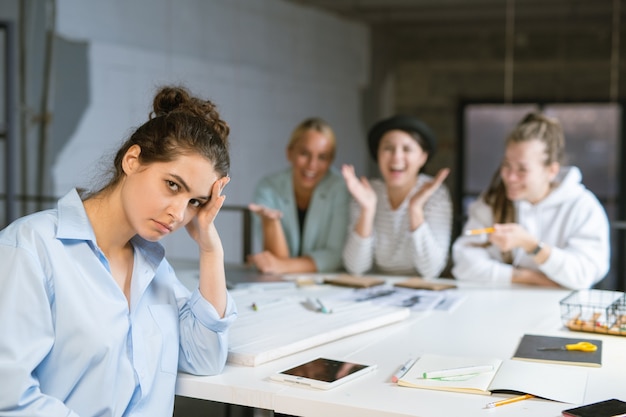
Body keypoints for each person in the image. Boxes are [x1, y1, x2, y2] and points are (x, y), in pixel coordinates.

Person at [0, 86, 237, 416]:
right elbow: (9, 398)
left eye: (194, 201)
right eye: (172, 185)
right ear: (132, 160)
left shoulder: (154, 268)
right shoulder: (30, 248)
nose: (179, 213)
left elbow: (205, 358)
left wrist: (211, 251)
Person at [452, 112, 610, 289]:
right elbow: (464, 265)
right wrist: (532, 278)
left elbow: (584, 275)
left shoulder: (582, 207)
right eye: (506, 165)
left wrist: (531, 245)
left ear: (551, 171)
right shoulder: (492, 201)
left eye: (522, 170)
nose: (510, 177)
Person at [341, 115, 452, 277]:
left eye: (407, 149)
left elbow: (432, 270)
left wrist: (415, 209)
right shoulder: (366, 192)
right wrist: (367, 209)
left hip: (419, 289)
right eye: (388, 148)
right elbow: (355, 268)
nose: (396, 157)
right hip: (376, 288)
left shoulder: (435, 194)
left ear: (423, 157)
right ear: (377, 154)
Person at [248, 117, 349, 274]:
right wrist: (271, 223)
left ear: (330, 161)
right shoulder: (268, 187)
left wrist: (283, 266)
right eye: (304, 153)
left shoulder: (340, 187)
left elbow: (333, 256)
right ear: (290, 153)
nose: (312, 165)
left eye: (322, 157)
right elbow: (274, 261)